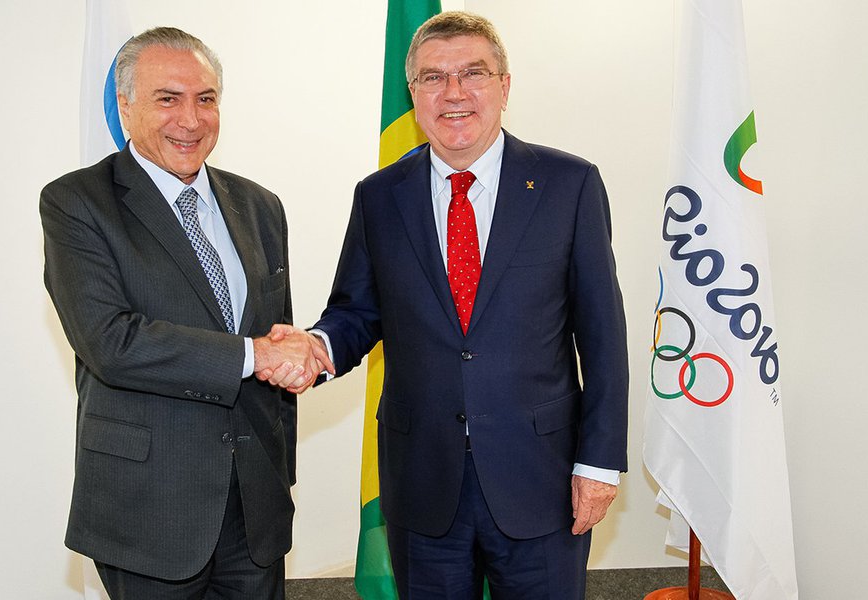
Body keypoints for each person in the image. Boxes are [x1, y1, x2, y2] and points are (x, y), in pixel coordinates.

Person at [266, 11, 628, 599]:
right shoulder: (380, 196)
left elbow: (604, 336)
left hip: (540, 477)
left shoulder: (569, 184)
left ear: (505, 86)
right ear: (413, 95)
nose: (454, 93)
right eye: (433, 78)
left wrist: (600, 462)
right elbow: (357, 311)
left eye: (473, 73)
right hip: (423, 482)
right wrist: (316, 345)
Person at [41, 26, 330, 600]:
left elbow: (276, 338)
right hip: (149, 511)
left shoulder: (259, 206)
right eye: (167, 99)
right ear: (124, 107)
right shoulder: (77, 202)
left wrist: (280, 476)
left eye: (206, 99)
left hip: (255, 513)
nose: (191, 120)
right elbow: (111, 342)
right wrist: (257, 355)